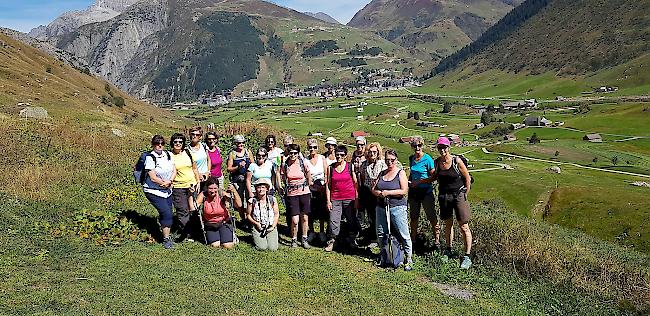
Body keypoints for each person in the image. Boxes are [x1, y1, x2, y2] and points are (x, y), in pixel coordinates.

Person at [433, 137, 473, 269]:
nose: (442, 150)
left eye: (444, 147)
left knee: (464, 227)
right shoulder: (437, 162)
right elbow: (436, 178)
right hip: (444, 196)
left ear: (449, 147)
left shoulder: (457, 161)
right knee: (448, 224)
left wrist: (464, 195)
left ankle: (467, 256)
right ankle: (448, 250)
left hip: (458, 195)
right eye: (440, 147)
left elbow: (467, 178)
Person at [372, 149, 413, 271]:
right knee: (381, 233)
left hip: (397, 207)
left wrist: (388, 193)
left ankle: (408, 258)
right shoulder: (382, 173)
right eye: (387, 160)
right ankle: (385, 255)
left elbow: (404, 191)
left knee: (403, 233)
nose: (389, 162)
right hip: (381, 207)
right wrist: (378, 193)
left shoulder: (400, 173)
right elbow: (373, 189)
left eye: (392, 160)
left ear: (396, 160)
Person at [142, 135, 177, 249]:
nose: (160, 145)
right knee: (166, 213)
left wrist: (170, 181)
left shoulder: (168, 154)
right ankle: (166, 239)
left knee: (168, 213)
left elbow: (174, 169)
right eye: (157, 143)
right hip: (154, 191)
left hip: (167, 190)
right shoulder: (150, 158)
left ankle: (166, 232)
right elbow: (152, 177)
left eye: (162, 143)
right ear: (153, 144)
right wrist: (164, 183)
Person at [407, 135, 440, 250]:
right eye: (415, 145)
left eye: (419, 145)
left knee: (431, 216)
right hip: (414, 192)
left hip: (426, 192)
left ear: (422, 145)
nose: (417, 147)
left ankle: (437, 241)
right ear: (412, 146)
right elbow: (412, 174)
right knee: (414, 217)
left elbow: (434, 176)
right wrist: (410, 182)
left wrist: (420, 181)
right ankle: (413, 240)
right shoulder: (411, 159)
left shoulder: (428, 159)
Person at [325, 145, 360, 252]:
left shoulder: (350, 167)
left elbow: (356, 184)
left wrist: (357, 199)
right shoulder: (331, 168)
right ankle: (333, 241)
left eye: (341, 155)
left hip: (349, 198)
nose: (339, 157)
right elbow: (328, 185)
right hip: (335, 198)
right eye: (337, 155)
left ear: (345, 156)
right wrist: (328, 201)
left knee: (351, 219)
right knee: (333, 220)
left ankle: (351, 239)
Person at [280, 143, 313, 249]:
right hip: (292, 194)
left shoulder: (303, 163)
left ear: (298, 153)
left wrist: (309, 183)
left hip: (304, 192)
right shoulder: (285, 164)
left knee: (304, 217)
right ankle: (294, 239)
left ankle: (304, 238)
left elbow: (308, 173)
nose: (293, 155)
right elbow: (283, 176)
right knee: (294, 219)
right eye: (291, 153)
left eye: (295, 153)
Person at [195, 176, 242, 249]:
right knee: (215, 245)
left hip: (224, 222)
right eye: (210, 188)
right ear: (207, 188)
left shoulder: (221, 194)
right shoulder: (203, 195)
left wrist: (234, 191)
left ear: (218, 188)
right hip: (210, 224)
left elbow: (239, 204)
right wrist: (190, 195)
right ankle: (214, 235)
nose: (212, 191)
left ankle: (231, 235)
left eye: (215, 188)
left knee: (228, 246)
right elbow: (193, 207)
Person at [170, 133, 200, 241]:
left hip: (192, 185)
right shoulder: (169, 156)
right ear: (172, 143)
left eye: (180, 142)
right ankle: (187, 233)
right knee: (182, 210)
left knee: (194, 209)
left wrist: (198, 181)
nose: (178, 144)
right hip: (178, 187)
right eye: (175, 142)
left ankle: (196, 230)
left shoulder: (187, 152)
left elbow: (194, 168)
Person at [359, 142, 386, 248]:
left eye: (374, 152)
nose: (372, 154)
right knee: (371, 216)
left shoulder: (383, 164)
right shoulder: (364, 164)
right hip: (368, 192)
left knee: (379, 216)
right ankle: (372, 237)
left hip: (379, 193)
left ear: (378, 152)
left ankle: (380, 238)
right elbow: (362, 177)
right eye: (370, 152)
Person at [305, 138, 329, 244]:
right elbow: (307, 176)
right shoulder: (305, 161)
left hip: (322, 188)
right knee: (310, 211)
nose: (312, 149)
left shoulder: (322, 158)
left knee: (321, 211)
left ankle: (322, 231)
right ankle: (312, 231)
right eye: (310, 147)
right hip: (311, 189)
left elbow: (326, 173)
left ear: (318, 148)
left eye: (314, 147)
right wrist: (314, 186)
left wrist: (324, 187)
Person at [246, 178, 280, 251]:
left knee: (273, 248)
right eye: (258, 187)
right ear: (256, 189)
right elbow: (248, 215)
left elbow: (276, 214)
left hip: (270, 226)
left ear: (267, 189)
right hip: (257, 226)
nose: (261, 189)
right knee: (262, 247)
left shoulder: (272, 199)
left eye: (263, 187)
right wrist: (256, 224)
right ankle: (255, 238)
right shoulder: (252, 201)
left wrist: (273, 226)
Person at [226, 134, 253, 221]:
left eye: (242, 143)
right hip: (237, 180)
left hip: (248, 180)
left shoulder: (248, 152)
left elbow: (253, 165)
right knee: (239, 201)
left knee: (250, 199)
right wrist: (238, 167)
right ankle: (243, 219)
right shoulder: (232, 154)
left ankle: (251, 218)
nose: (240, 145)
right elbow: (229, 168)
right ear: (235, 143)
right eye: (238, 143)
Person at [187, 126, 211, 190]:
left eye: (197, 135)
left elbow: (208, 160)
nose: (195, 136)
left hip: (206, 177)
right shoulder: (187, 150)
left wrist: (208, 172)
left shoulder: (203, 146)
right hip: (195, 178)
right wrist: (198, 175)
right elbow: (190, 166)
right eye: (192, 134)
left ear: (200, 137)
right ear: (189, 135)